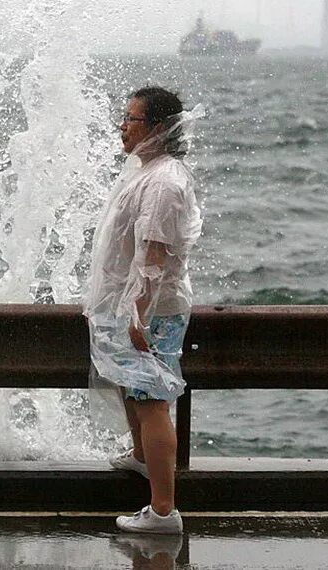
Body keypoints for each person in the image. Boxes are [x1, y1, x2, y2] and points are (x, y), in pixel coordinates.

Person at [84, 86, 203, 535]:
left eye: (131, 119)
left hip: (150, 311)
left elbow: (154, 255)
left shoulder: (164, 184)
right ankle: (140, 456)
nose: (122, 125)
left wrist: (138, 313)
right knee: (134, 390)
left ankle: (163, 511)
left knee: (152, 400)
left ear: (157, 129)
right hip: (130, 303)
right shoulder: (147, 171)